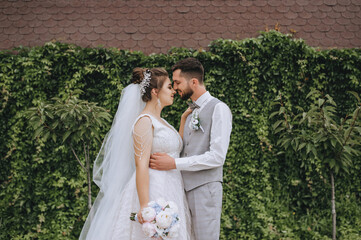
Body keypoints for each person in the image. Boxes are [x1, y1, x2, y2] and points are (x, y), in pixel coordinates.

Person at [79, 67, 193, 239]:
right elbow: (141, 165)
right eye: (169, 87)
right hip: (154, 188)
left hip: (172, 187)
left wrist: (184, 119)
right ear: (155, 91)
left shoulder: (161, 121)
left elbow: (176, 146)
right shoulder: (144, 122)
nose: (173, 91)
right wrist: (145, 206)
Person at [150, 58, 232, 240]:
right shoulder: (189, 113)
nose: (175, 87)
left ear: (193, 82)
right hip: (182, 190)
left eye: (177, 82)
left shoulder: (219, 109)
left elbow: (217, 157)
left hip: (205, 189)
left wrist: (173, 163)